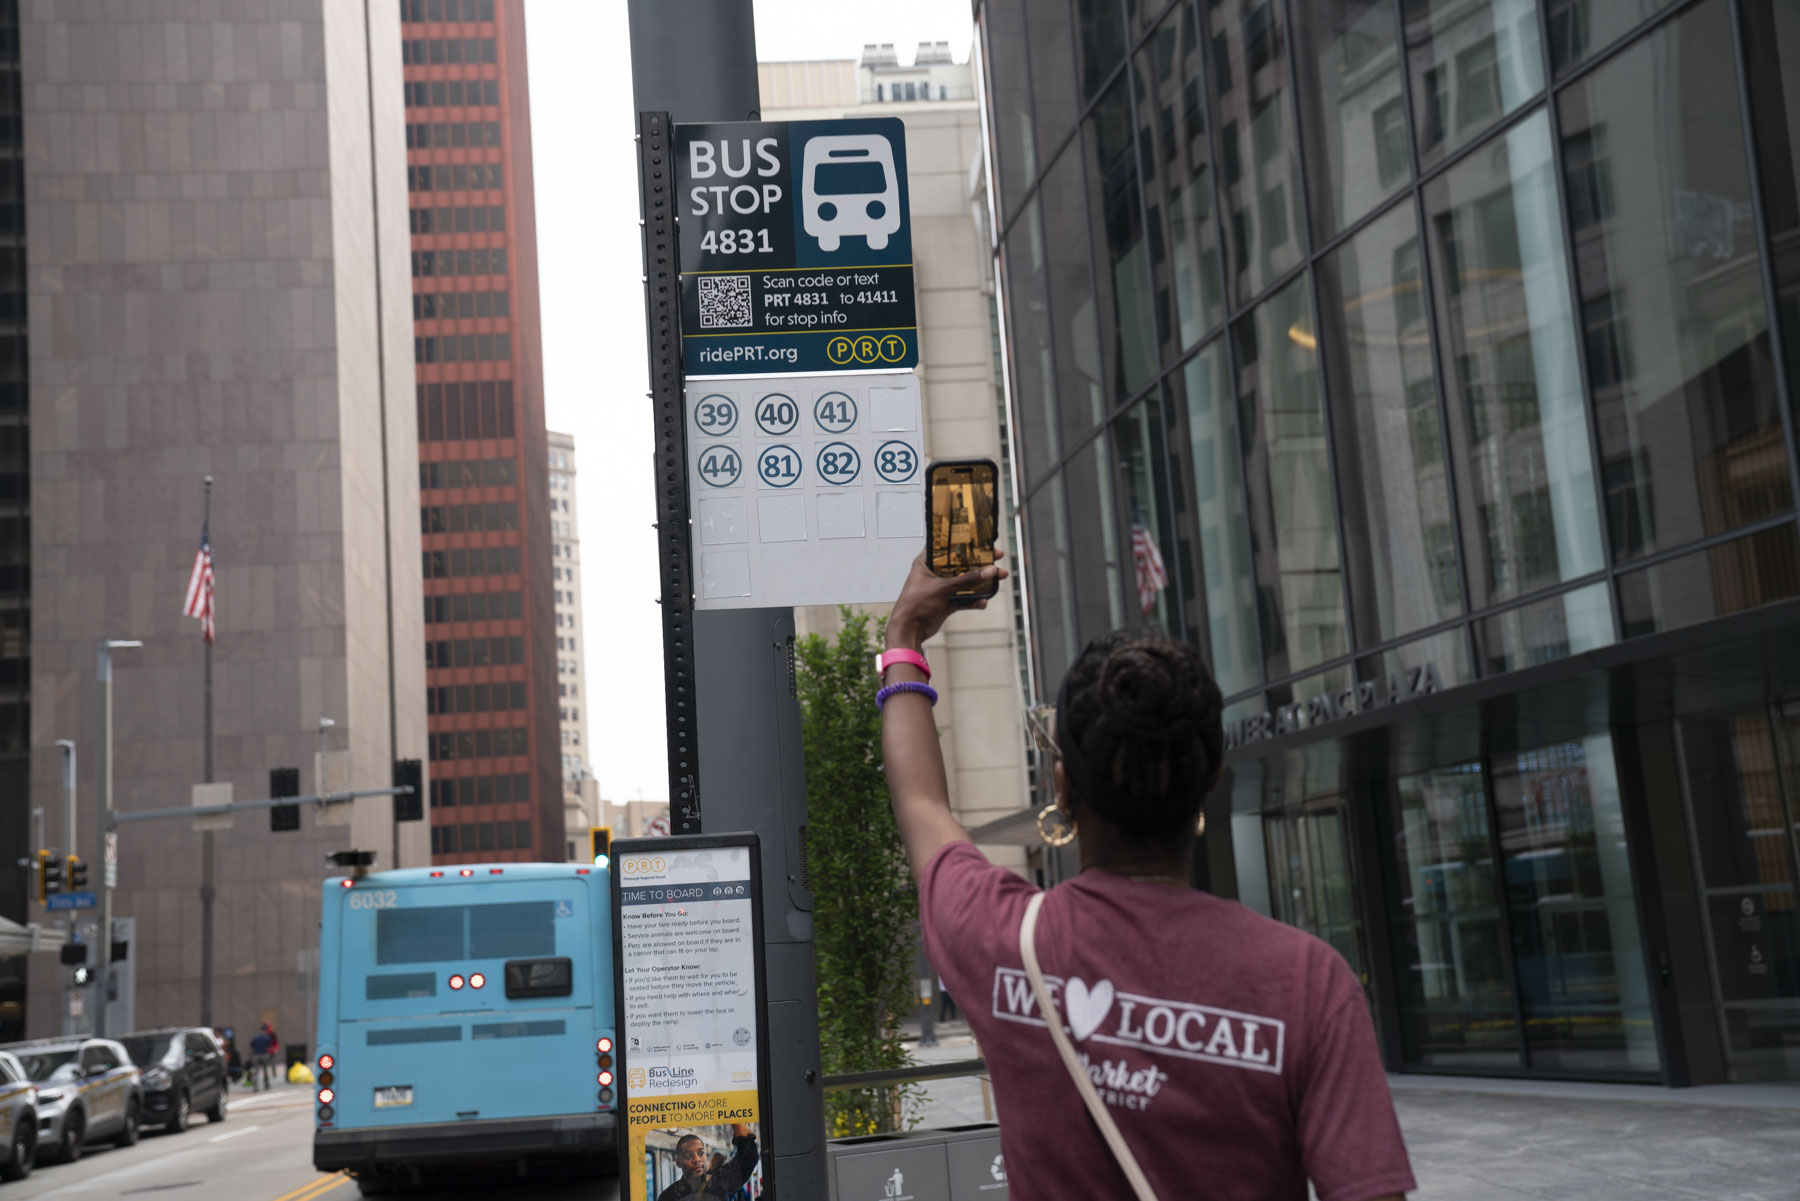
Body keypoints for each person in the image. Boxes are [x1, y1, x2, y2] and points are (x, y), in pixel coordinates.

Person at [879, 551, 1414, 1201]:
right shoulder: (1309, 983)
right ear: (1210, 779)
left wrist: (904, 634)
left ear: (1063, 784)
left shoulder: (997, 937)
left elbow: (923, 805)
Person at [655, 1124, 756, 1201]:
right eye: (688, 1156)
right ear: (678, 1163)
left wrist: (738, 1126)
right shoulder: (668, 1196)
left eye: (701, 1153)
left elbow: (749, 1158)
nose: (697, 1159)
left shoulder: (721, 1181)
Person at [248, 1026, 273, 1092]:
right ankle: (267, 1084)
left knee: (256, 1072)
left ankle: (256, 1087)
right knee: (265, 1070)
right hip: (264, 1055)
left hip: (256, 1055)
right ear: (266, 1031)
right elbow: (269, 1047)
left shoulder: (255, 1038)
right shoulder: (267, 1038)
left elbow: (251, 1046)